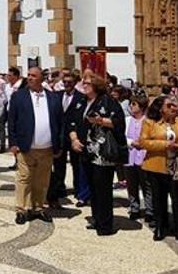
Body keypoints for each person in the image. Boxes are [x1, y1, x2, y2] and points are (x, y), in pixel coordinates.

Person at [68, 74, 126, 236]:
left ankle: (105, 225)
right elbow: (71, 122)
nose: (84, 86)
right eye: (83, 83)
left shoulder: (108, 102)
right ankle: (96, 218)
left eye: (87, 83)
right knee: (92, 187)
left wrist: (100, 121)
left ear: (96, 85)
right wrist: (74, 139)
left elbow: (119, 123)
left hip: (102, 154)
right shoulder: (81, 102)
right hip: (86, 151)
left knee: (103, 189)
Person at [8, 66, 64, 225]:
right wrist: (13, 142)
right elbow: (11, 120)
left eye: (34, 75)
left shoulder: (53, 98)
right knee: (24, 178)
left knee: (42, 180)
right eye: (29, 75)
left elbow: (60, 123)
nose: (30, 78)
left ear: (42, 78)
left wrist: (58, 144)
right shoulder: (19, 96)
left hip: (46, 148)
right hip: (26, 147)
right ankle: (21, 209)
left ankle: (38, 207)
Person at [139, 94, 178, 242]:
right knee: (158, 198)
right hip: (156, 166)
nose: (173, 108)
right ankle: (160, 226)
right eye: (169, 106)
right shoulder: (150, 122)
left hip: (175, 167)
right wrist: (165, 145)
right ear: (160, 109)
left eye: (174, 106)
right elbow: (144, 142)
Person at [49, 71, 82, 209]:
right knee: (58, 164)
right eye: (65, 82)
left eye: (70, 82)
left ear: (74, 83)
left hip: (74, 135)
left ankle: (78, 189)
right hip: (60, 135)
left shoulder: (81, 97)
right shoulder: (57, 96)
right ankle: (59, 189)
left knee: (77, 164)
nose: (67, 84)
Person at [124, 95, 149, 221]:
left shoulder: (148, 121)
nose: (131, 106)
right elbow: (122, 136)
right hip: (130, 156)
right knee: (132, 185)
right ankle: (134, 208)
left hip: (144, 156)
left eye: (134, 104)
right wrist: (131, 142)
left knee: (146, 185)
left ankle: (150, 210)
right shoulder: (127, 120)